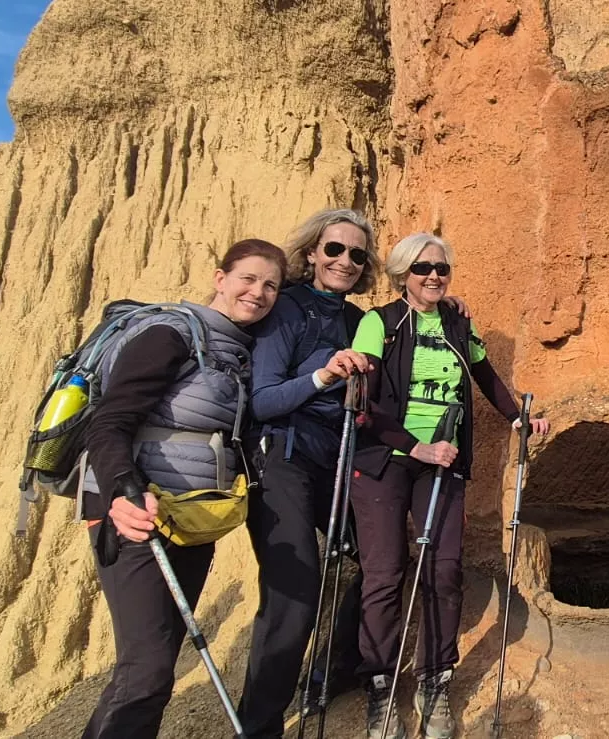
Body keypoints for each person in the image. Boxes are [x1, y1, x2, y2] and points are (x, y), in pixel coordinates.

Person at [82, 239, 287, 738]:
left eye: (270, 285)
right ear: (220, 279)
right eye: (247, 278)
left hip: (192, 520)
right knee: (146, 671)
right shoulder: (170, 333)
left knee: (151, 669)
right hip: (138, 516)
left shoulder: (236, 352)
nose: (258, 292)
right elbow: (109, 422)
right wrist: (122, 492)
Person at [349, 232, 550, 739]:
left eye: (441, 268)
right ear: (402, 275)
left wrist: (517, 416)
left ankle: (434, 680)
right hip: (385, 460)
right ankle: (381, 686)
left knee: (443, 570)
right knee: (384, 574)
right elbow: (366, 405)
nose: (434, 276)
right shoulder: (379, 324)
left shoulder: (458, 322)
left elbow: (484, 373)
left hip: (445, 461)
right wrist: (416, 447)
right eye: (422, 268)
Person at [238, 209, 379, 735]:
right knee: (294, 591)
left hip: (335, 459)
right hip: (282, 456)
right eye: (334, 249)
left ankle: (330, 673)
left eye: (357, 254)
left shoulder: (358, 321)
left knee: (382, 561)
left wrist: (447, 308)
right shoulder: (287, 309)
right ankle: (260, 725)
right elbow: (264, 399)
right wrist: (324, 375)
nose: (345, 261)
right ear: (313, 253)